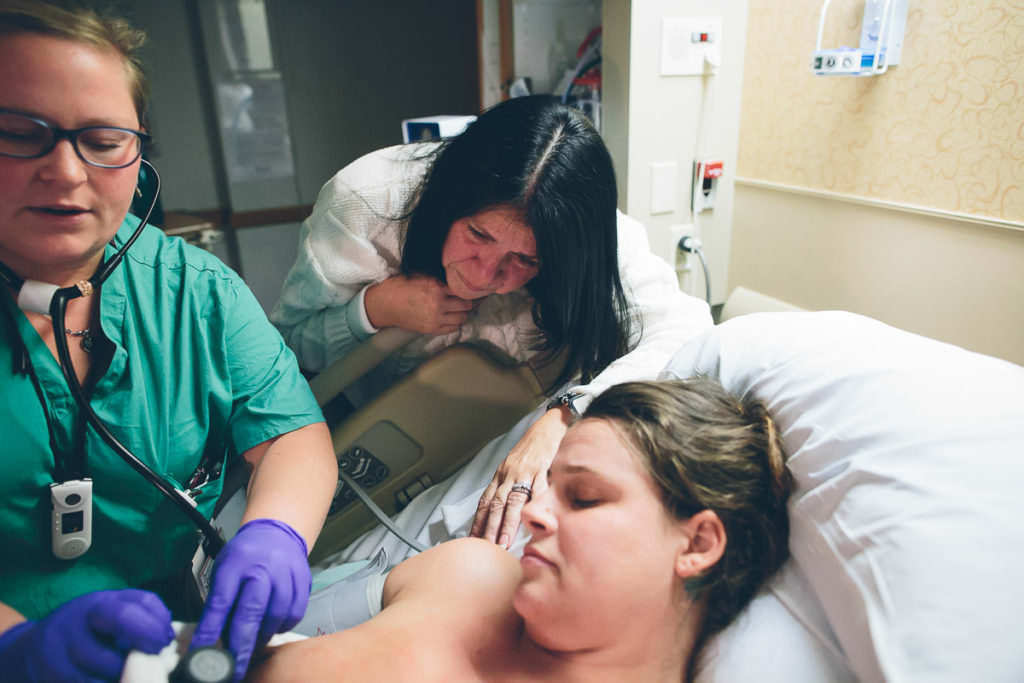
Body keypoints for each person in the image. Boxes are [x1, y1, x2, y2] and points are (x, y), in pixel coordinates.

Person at [0, 2, 337, 681]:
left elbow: (291, 434)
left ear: (139, 149)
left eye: (102, 140)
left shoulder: (194, 291)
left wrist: (275, 532)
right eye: (18, 132)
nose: (66, 172)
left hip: (167, 641)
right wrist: (17, 649)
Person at [271, 95, 713, 549]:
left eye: (525, 259)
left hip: (511, 434)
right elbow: (289, 350)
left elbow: (688, 331)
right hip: (382, 435)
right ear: (450, 202)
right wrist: (375, 309)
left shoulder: (591, 238)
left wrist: (566, 414)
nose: (485, 277)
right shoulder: (365, 201)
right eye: (477, 235)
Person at [250, 377, 794, 682]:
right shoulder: (467, 574)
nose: (534, 513)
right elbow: (259, 644)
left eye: (583, 498)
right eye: (550, 487)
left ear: (697, 544)